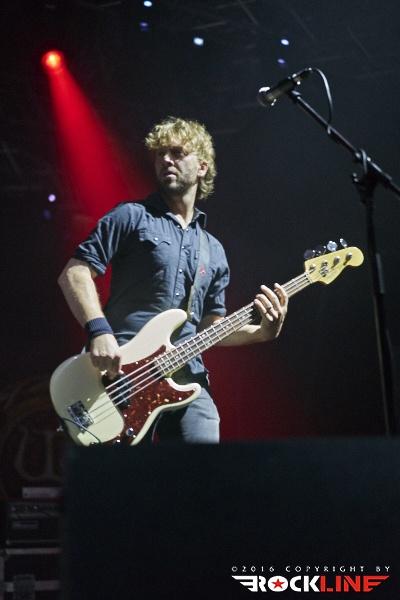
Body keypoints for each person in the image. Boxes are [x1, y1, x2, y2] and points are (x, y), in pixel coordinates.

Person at [58, 116, 288, 444]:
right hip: (119, 375)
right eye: (160, 154)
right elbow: (75, 272)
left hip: (187, 377)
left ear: (202, 167)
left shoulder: (213, 250)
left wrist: (262, 332)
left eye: (177, 152)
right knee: (117, 476)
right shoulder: (131, 216)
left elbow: (211, 328)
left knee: (202, 469)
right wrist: (99, 331)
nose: (166, 159)